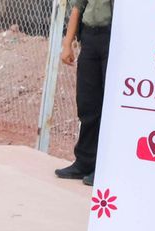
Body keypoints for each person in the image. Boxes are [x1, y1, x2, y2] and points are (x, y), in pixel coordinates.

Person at [55, 0, 110, 186]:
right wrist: (67, 43)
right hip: (90, 37)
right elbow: (78, 6)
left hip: (112, 38)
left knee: (108, 105)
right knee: (87, 103)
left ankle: (103, 166)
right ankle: (84, 162)